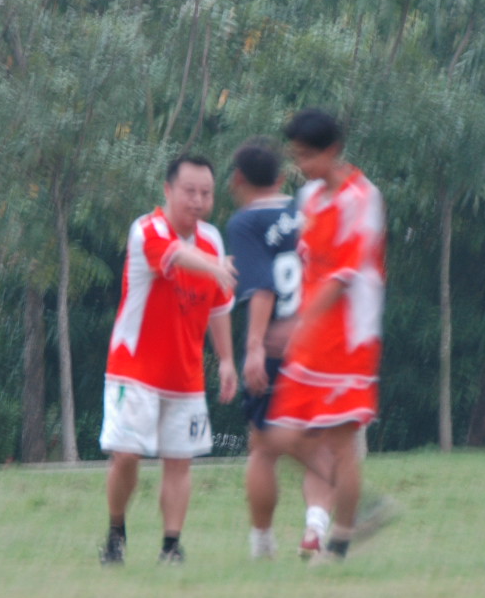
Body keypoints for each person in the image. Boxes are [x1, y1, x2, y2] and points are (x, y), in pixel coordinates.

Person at [98, 155, 238, 565]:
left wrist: (226, 360)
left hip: (185, 374)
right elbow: (175, 255)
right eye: (189, 191)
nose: (198, 201)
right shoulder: (147, 230)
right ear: (168, 191)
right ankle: (116, 532)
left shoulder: (212, 240)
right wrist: (215, 266)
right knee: (126, 455)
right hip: (134, 369)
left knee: (180, 461)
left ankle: (171, 546)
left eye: (206, 193)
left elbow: (219, 307)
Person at [263, 110, 387, 563]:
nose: (301, 166)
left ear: (332, 151)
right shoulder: (309, 197)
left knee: (340, 444)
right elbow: (308, 265)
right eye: (296, 157)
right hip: (311, 336)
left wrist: (296, 321)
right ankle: (367, 504)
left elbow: (342, 275)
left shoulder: (362, 197)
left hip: (349, 340)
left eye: (307, 156)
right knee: (279, 436)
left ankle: (340, 542)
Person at [224, 138, 334, 560]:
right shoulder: (308, 210)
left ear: (237, 180)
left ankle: (263, 543)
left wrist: (253, 346)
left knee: (263, 447)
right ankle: (315, 528)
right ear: (283, 177)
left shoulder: (246, 222)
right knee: (319, 440)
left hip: (274, 345)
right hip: (319, 342)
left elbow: (262, 286)